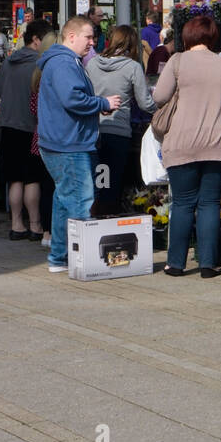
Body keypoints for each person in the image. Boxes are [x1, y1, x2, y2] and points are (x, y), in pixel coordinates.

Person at [153, 15, 221, 278]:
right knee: (209, 203)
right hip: (218, 141)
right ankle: (208, 264)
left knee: (182, 203)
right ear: (212, 37)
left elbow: (159, 96)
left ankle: (175, 264)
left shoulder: (177, 61)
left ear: (187, 36)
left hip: (183, 142)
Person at [36, 16, 122, 273]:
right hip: (68, 144)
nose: (92, 42)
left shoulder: (64, 61)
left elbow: (72, 99)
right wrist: (102, 103)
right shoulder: (64, 63)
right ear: (71, 36)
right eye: (88, 37)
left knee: (64, 201)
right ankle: (84, 261)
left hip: (63, 141)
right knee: (81, 201)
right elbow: (72, 99)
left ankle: (60, 258)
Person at [86, 25, 155, 216]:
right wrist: (163, 109)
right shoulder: (132, 67)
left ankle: (94, 219)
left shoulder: (92, 64)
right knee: (113, 182)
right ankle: (108, 224)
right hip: (118, 132)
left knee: (98, 180)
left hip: (93, 130)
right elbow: (145, 103)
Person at [0, 20, 54, 240]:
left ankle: (16, 224)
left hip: (8, 124)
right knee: (32, 179)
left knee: (15, 178)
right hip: (31, 127)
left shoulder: (9, 62)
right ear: (37, 40)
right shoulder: (39, 65)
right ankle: (36, 225)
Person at [29, 29, 58, 248]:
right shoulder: (57, 73)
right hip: (56, 138)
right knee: (58, 188)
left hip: (39, 138)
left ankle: (46, 231)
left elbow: (33, 109)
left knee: (46, 187)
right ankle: (55, 232)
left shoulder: (37, 75)